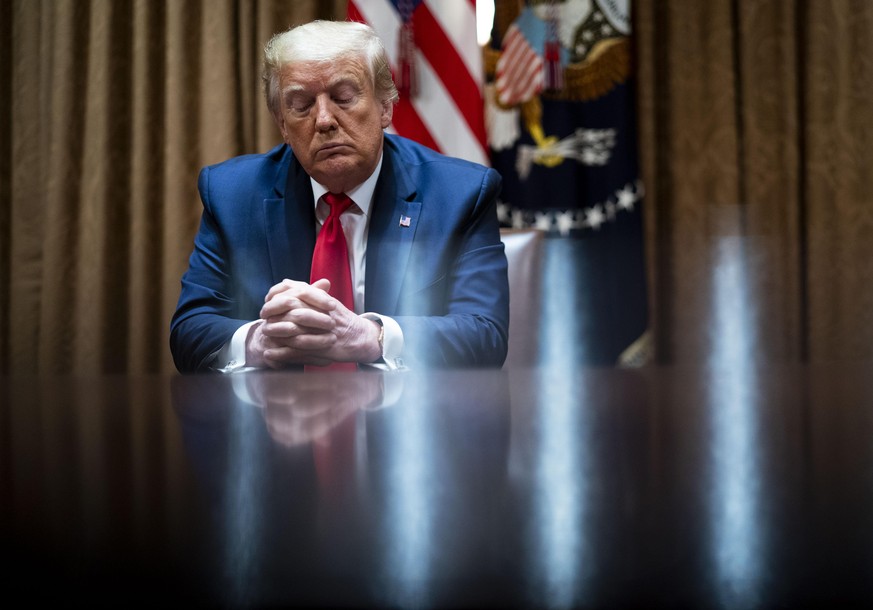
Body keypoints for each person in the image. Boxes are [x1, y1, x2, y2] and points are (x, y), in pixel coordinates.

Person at [170, 20, 509, 373]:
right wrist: (260, 341)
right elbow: (189, 331)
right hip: (276, 418)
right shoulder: (232, 194)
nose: (324, 120)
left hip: (408, 419)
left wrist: (368, 337)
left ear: (385, 108)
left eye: (344, 97)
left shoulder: (460, 194)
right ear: (282, 124)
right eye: (301, 105)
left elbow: (485, 335)